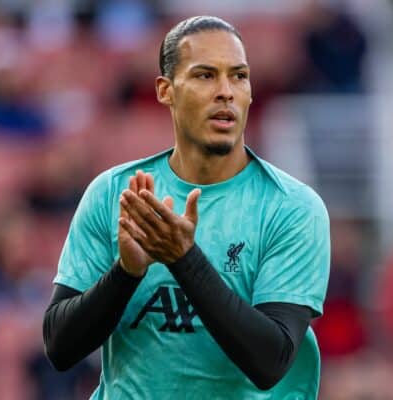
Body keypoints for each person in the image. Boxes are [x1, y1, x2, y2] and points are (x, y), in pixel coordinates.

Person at [43, 16, 330, 399]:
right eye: (205, 76)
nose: (226, 91)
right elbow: (60, 347)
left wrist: (183, 258)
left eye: (239, 76)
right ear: (166, 90)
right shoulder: (114, 193)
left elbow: (270, 361)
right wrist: (126, 273)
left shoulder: (291, 208)